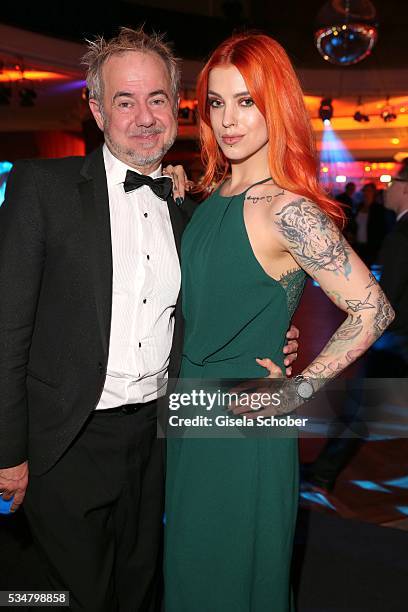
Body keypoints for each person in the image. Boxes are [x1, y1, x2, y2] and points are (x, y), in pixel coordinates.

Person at [0, 27, 299, 611]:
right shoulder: (43, 190)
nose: (143, 116)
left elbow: (228, 301)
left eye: (157, 98)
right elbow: (6, 331)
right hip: (66, 439)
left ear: (177, 106)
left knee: (141, 586)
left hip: (163, 438)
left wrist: (275, 332)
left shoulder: (191, 208)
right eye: (124, 100)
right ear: (95, 109)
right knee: (61, 595)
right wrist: (8, 451)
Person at [163, 32, 394, 612]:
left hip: (245, 418)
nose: (228, 120)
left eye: (247, 101)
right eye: (216, 103)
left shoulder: (288, 209)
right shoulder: (214, 194)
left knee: (231, 579)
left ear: (278, 105)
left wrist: (300, 386)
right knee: (191, 571)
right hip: (191, 407)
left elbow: (373, 309)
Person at [354, 182, 389, 265]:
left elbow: (381, 228)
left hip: (371, 246)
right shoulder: (359, 206)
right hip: (358, 244)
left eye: (369, 191)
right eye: (365, 191)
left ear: (374, 192)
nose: (366, 193)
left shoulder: (378, 208)